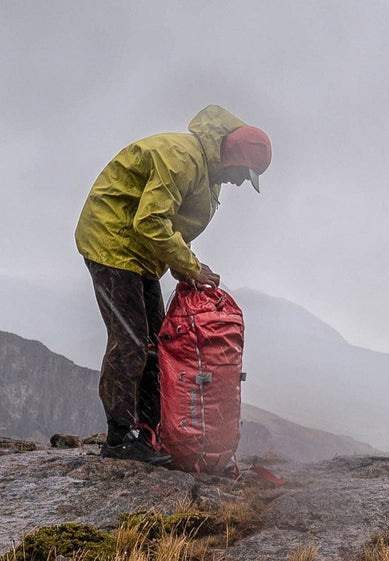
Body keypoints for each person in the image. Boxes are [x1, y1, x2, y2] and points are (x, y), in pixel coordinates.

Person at [75, 105, 271, 464]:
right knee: (131, 339)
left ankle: (148, 433)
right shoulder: (182, 160)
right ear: (233, 158)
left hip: (140, 250)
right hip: (111, 240)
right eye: (244, 174)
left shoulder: (208, 173)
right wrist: (192, 268)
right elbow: (150, 220)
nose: (242, 182)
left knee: (155, 343)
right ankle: (120, 438)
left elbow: (174, 225)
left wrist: (186, 269)